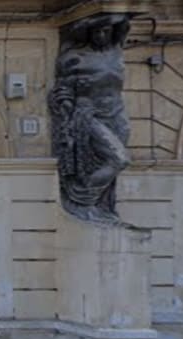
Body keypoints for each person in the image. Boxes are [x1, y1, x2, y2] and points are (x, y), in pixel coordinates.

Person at [49, 14, 138, 229]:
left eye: (105, 31)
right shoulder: (75, 57)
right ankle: (82, 200)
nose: (100, 35)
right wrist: (66, 106)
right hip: (88, 114)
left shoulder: (116, 51)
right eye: (96, 31)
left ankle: (103, 208)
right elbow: (61, 91)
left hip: (116, 115)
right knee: (119, 159)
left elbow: (124, 19)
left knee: (107, 164)